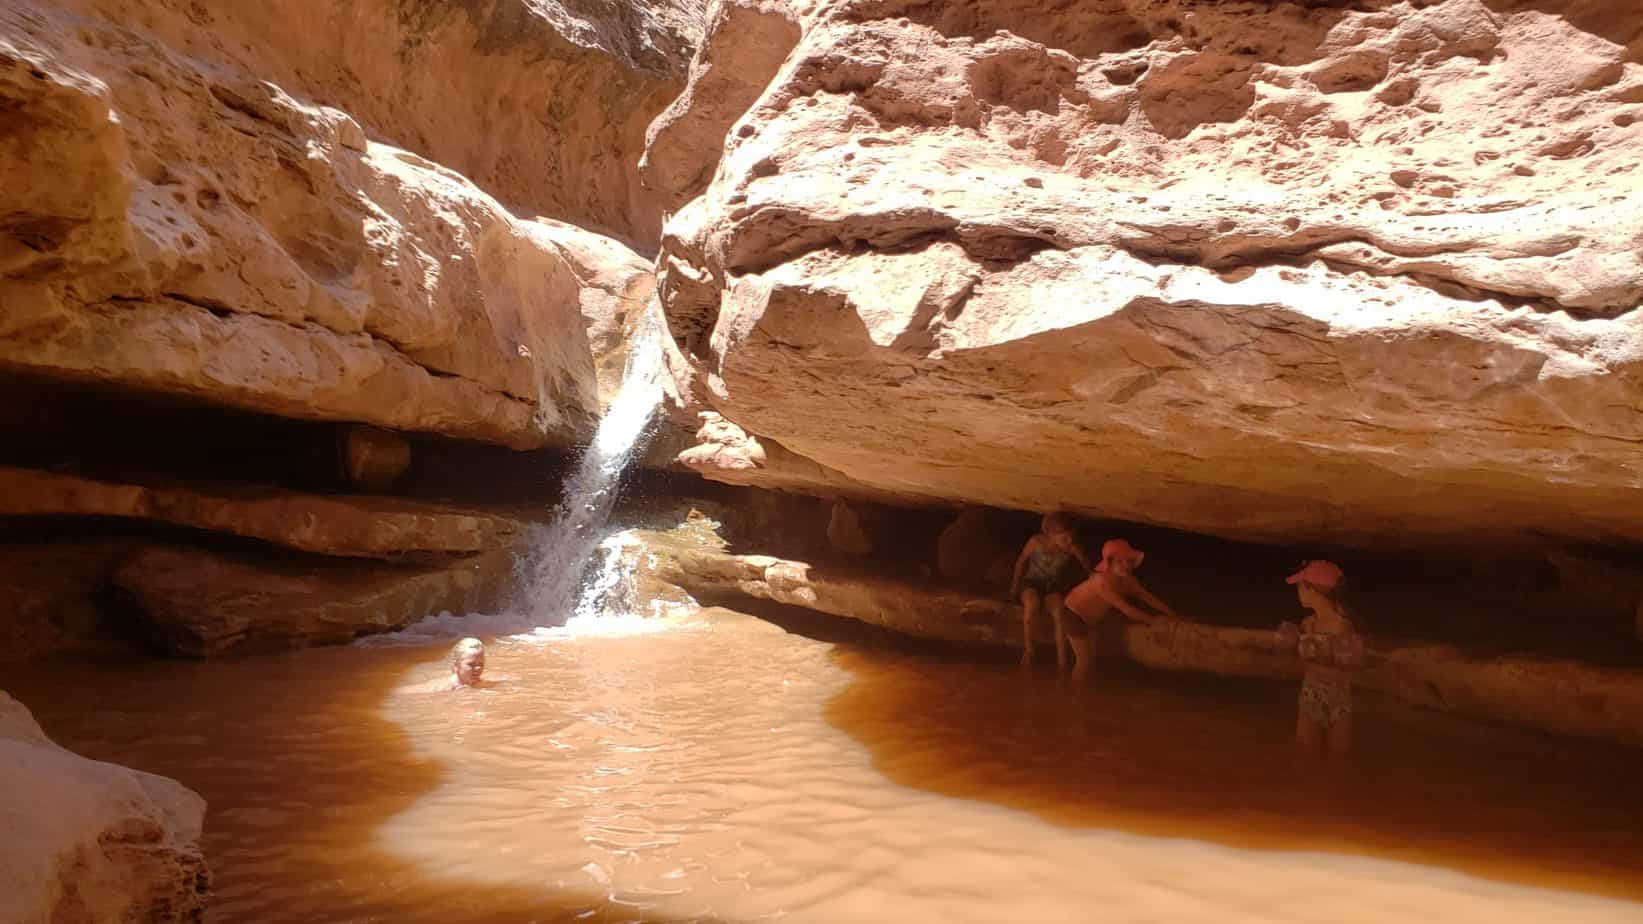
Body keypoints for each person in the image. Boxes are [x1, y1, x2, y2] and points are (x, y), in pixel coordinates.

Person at [1275, 560, 1364, 752]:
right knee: (1306, 761)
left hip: (1338, 702)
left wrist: (1304, 665)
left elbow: (1346, 675)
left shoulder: (1343, 627)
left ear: (1313, 590)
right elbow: (1293, 663)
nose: (1298, 592)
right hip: (1310, 698)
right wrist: (1288, 647)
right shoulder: (1307, 624)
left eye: (1300, 587)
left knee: (1338, 764)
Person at [1061, 539, 1179, 678]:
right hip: (1073, 615)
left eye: (1129, 561)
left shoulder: (1128, 580)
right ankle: (1075, 696)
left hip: (1089, 620)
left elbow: (1148, 597)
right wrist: (1153, 621)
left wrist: (1173, 614)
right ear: (1109, 563)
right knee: (1084, 662)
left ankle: (1083, 694)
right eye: (1120, 562)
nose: (1126, 566)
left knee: (1091, 661)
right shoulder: (1101, 581)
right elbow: (1126, 609)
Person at [1009, 512, 1092, 669]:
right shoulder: (1036, 542)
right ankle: (1029, 650)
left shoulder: (1073, 548)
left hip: (1053, 585)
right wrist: (1014, 587)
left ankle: (1062, 660)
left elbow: (1088, 569)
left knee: (1059, 611)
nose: (1070, 541)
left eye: (1072, 537)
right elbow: (1021, 561)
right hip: (1031, 582)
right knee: (1032, 605)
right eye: (1064, 538)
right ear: (1050, 535)